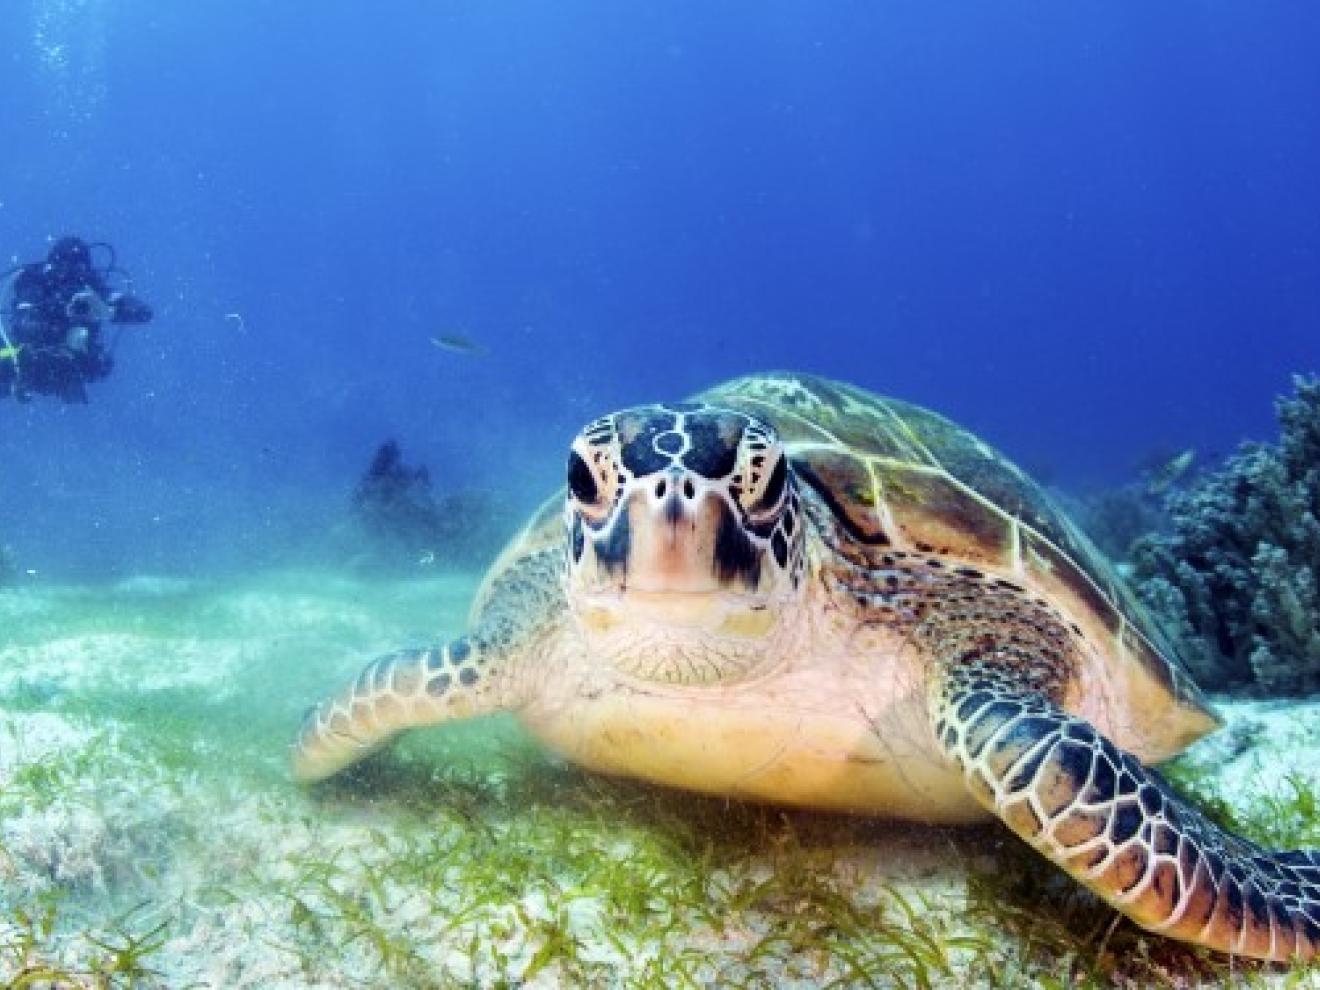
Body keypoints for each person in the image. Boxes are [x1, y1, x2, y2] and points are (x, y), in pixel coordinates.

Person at [0, 236, 153, 403]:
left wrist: (108, 311)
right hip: (28, 361)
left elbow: (144, 313)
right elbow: (25, 324)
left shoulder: (91, 288)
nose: (70, 278)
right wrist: (59, 311)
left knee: (98, 364)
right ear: (51, 267)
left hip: (72, 367)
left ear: (85, 271)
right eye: (64, 269)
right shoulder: (35, 282)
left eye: (78, 271)